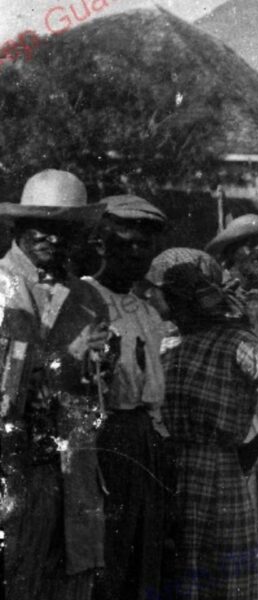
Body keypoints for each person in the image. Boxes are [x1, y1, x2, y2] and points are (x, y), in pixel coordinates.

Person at [147, 248, 258, 600]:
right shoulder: (168, 342)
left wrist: (251, 450)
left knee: (221, 576)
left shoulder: (237, 343)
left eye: (176, 299)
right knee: (175, 573)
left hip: (219, 474)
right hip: (169, 472)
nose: (169, 308)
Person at [0, 169, 112, 600]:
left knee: (68, 581)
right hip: (11, 468)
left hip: (70, 471)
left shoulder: (87, 298)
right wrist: (63, 362)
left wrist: (103, 364)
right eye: (41, 225)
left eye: (64, 228)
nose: (52, 237)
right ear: (19, 226)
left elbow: (100, 393)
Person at [85, 195, 169, 600]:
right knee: (108, 549)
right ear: (101, 245)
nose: (137, 254)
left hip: (144, 435)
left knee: (145, 547)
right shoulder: (84, 299)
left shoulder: (147, 311)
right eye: (126, 243)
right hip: (104, 436)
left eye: (145, 246)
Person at [206, 213, 258, 511]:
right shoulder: (208, 293)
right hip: (214, 415)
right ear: (230, 252)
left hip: (256, 416)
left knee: (250, 507)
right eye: (252, 245)